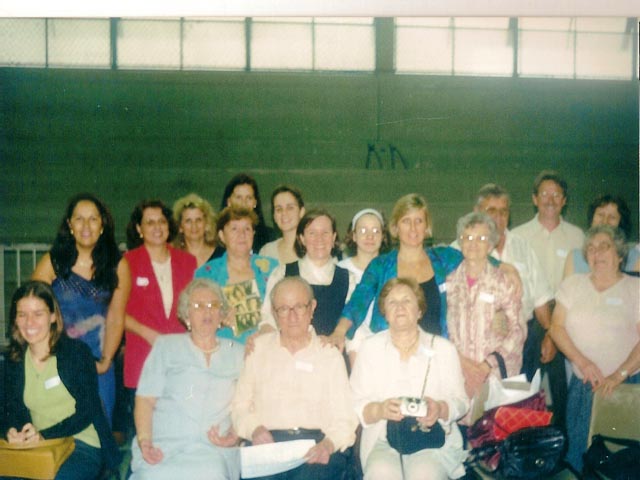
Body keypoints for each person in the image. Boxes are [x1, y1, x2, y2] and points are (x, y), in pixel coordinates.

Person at [338, 194, 518, 353]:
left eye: (419, 221)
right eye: (406, 221)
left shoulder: (443, 258)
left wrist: (506, 268)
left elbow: (475, 255)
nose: (413, 228)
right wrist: (339, 332)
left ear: (427, 227)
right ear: (395, 227)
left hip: (437, 354)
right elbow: (357, 303)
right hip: (391, 353)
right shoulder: (380, 265)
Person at [232, 276, 358, 480]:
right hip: (268, 445)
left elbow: (345, 417)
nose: (292, 317)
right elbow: (239, 406)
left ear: (312, 308)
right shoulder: (258, 350)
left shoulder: (329, 355)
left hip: (316, 446)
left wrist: (328, 444)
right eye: (283, 309)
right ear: (273, 313)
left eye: (299, 307)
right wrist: (254, 429)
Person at [350, 277, 469, 480]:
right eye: (392, 302)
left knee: (424, 475)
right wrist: (380, 409)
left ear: (419, 310)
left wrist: (439, 408)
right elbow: (355, 401)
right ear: (385, 313)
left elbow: (461, 402)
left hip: (432, 439)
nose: (400, 307)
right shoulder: (370, 348)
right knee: (380, 474)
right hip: (382, 439)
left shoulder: (443, 349)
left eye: (407, 300)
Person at [3, 281, 119, 480]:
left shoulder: (76, 354)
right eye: (22, 314)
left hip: (80, 442)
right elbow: (7, 409)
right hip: (38, 446)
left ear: (53, 316)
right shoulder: (13, 361)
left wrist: (44, 435)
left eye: (38, 314)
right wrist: (10, 431)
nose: (29, 322)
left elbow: (87, 410)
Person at [31, 192, 131, 425]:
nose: (86, 225)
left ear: (103, 224)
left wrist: (106, 361)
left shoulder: (118, 265)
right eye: (79, 218)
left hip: (98, 365)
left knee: (99, 434)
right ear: (69, 224)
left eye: (93, 219)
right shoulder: (53, 261)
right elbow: (33, 312)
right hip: (57, 362)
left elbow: (116, 317)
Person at [130, 278, 244, 480]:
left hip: (214, 450)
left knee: (212, 474)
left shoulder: (237, 352)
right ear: (186, 315)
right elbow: (146, 398)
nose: (207, 312)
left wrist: (235, 434)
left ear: (221, 315)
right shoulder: (166, 346)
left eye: (213, 305)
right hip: (164, 446)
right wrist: (145, 441)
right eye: (198, 306)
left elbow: (247, 403)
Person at [549, 225, 640, 472]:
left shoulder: (635, 288)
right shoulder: (572, 285)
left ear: (620, 254)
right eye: (591, 247)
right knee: (578, 455)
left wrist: (619, 374)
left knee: (620, 460)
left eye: (604, 246)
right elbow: (556, 328)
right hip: (583, 386)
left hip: (625, 389)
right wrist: (583, 362)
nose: (596, 252)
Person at [455, 184, 554, 381]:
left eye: (503, 212)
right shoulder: (459, 249)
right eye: (491, 211)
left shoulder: (523, 247)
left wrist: (550, 335)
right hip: (475, 349)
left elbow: (541, 300)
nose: (498, 218)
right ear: (477, 212)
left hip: (523, 342)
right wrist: (502, 265)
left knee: (516, 406)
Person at [512, 170, 585, 430]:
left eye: (556, 195)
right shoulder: (518, 236)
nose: (550, 200)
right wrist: (546, 331)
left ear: (564, 200)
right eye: (544, 194)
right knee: (521, 390)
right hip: (529, 322)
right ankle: (518, 446)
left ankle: (562, 447)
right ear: (534, 199)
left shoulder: (579, 238)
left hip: (567, 322)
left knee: (561, 393)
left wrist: (554, 333)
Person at [446, 212, 524, 421]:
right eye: (468, 238)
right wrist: (465, 366)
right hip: (461, 374)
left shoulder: (503, 282)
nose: (473, 244)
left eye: (481, 238)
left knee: (491, 439)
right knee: (462, 433)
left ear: (490, 246)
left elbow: (517, 331)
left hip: (494, 375)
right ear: (460, 242)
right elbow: (448, 331)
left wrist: (487, 365)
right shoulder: (451, 282)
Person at [123, 200, 197, 397]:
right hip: (142, 357)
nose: (157, 228)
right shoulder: (127, 262)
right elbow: (115, 312)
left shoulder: (188, 262)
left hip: (180, 360)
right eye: (150, 222)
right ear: (139, 229)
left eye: (162, 222)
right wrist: (146, 333)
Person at [259, 209, 356, 339]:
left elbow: (351, 326)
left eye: (325, 233)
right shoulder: (282, 274)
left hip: (332, 354)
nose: (319, 239)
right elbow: (268, 319)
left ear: (333, 238)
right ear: (302, 239)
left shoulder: (348, 279)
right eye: (312, 233)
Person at [195, 206, 278, 344]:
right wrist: (219, 320)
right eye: (234, 229)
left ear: (253, 234)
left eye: (247, 229)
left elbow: (284, 311)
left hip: (265, 351)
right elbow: (196, 319)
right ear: (222, 235)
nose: (242, 234)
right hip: (222, 352)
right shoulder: (206, 273)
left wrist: (243, 318)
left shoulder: (272, 268)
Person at [338, 208, 391, 362]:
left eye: (376, 231)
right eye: (363, 230)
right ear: (353, 236)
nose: (370, 236)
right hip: (353, 346)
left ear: (383, 236)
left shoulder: (391, 268)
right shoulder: (341, 270)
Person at [563, 194, 639, 276]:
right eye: (600, 215)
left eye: (612, 217)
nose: (605, 221)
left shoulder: (634, 258)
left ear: (621, 223)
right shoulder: (576, 258)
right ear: (592, 219)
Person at [220, 173, 275, 253]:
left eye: (249, 198)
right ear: (229, 202)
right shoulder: (214, 237)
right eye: (239, 197)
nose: (243, 203)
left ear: (255, 203)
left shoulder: (269, 237)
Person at [259, 185, 305, 264]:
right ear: (274, 216)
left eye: (290, 208)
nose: (284, 213)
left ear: (301, 212)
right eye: (279, 209)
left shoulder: (314, 248)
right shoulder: (267, 252)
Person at [172, 192, 221, 267]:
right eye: (188, 221)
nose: (194, 226)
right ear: (180, 227)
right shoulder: (172, 258)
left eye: (198, 220)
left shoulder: (221, 256)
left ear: (207, 224)